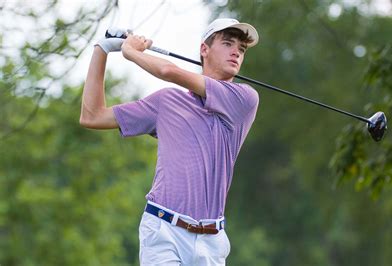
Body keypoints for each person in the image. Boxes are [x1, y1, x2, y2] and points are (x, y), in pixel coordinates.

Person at [80, 18, 260, 265]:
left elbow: (168, 71)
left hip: (212, 242)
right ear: (204, 50)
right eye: (228, 43)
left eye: (241, 49)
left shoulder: (244, 99)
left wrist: (130, 51)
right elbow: (93, 116)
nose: (236, 52)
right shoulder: (165, 103)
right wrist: (101, 49)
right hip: (163, 231)